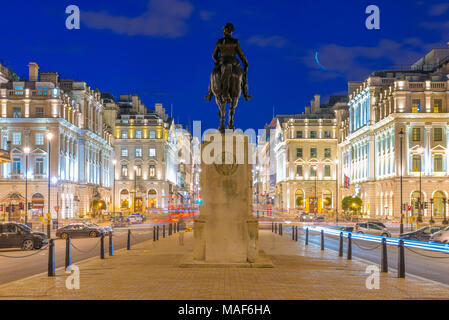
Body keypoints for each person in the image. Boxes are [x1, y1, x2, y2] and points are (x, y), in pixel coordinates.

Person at [205, 23, 252, 101]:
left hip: (221, 62)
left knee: (212, 75)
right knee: (244, 76)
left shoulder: (219, 41)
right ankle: (246, 93)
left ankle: (210, 93)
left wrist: (219, 61)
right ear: (231, 31)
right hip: (233, 62)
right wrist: (246, 64)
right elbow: (241, 55)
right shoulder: (235, 42)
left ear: (224, 31)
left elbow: (213, 55)